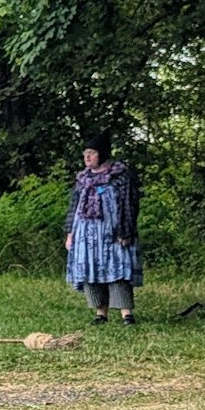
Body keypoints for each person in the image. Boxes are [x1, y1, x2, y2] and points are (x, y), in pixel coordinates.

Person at [65, 133, 141, 325]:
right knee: (90, 271)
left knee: (118, 270)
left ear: (102, 154)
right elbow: (74, 207)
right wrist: (70, 233)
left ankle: (126, 314)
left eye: (91, 153)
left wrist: (126, 231)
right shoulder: (82, 179)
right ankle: (101, 313)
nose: (87, 157)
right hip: (86, 235)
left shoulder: (120, 176)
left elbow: (129, 205)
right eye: (85, 154)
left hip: (112, 233)